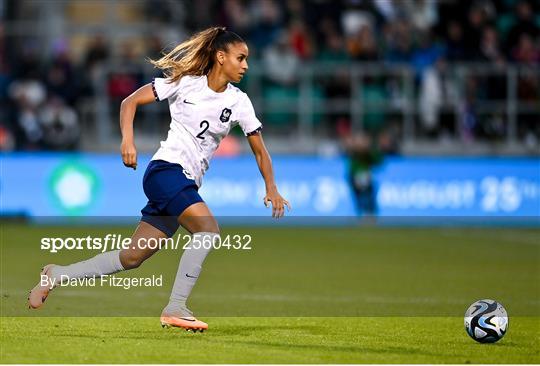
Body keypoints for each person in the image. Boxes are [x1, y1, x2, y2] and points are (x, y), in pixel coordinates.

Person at [28, 27, 290, 332]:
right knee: (207, 229)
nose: (246, 65)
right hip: (166, 170)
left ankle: (56, 274)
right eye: (240, 58)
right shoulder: (185, 84)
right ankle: (176, 307)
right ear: (221, 57)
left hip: (184, 182)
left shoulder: (240, 102)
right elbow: (129, 102)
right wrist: (128, 140)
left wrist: (271, 187)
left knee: (132, 256)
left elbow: (260, 151)